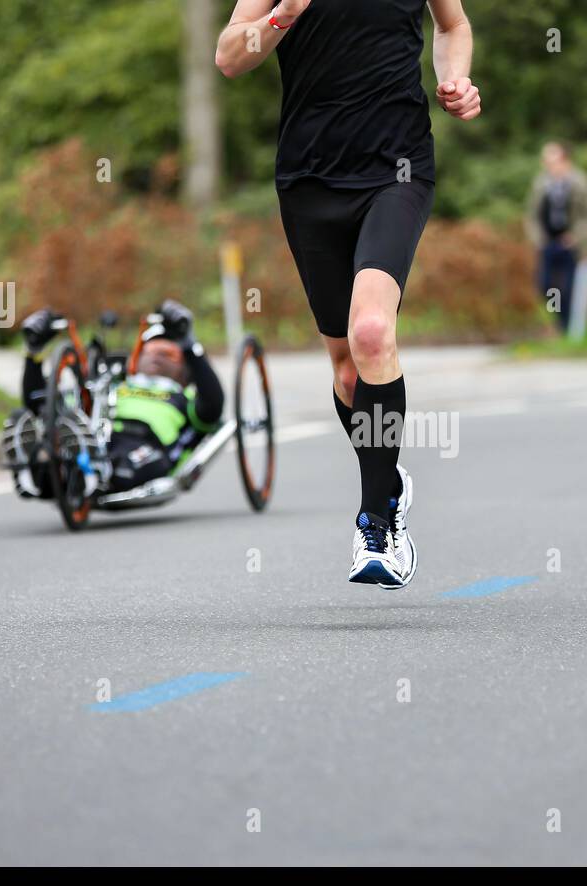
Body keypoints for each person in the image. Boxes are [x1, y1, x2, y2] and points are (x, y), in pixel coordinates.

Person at [215, 0, 480, 589]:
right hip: (309, 179)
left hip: (397, 171)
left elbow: (453, 24)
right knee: (348, 375)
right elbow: (230, 57)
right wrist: (284, 14)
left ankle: (378, 522)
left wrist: (453, 79)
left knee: (371, 333)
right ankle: (388, 480)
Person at [4, 301, 224, 500]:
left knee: (130, 465)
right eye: (150, 351)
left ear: (185, 369)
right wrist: (34, 353)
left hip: (146, 445)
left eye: (167, 354)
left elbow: (214, 406)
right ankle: (40, 463)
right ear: (137, 359)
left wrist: (190, 344)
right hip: (93, 436)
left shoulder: (185, 398)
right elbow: (41, 404)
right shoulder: (113, 387)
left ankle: (86, 471)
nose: (156, 356)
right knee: (57, 418)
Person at [524, 142, 587, 333]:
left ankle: (570, 327)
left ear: (565, 160)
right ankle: (557, 322)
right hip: (548, 243)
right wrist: (538, 239)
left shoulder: (581, 182)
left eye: (552, 160)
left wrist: (576, 236)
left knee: (569, 287)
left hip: (572, 245)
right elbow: (532, 215)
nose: (547, 164)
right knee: (548, 286)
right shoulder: (541, 183)